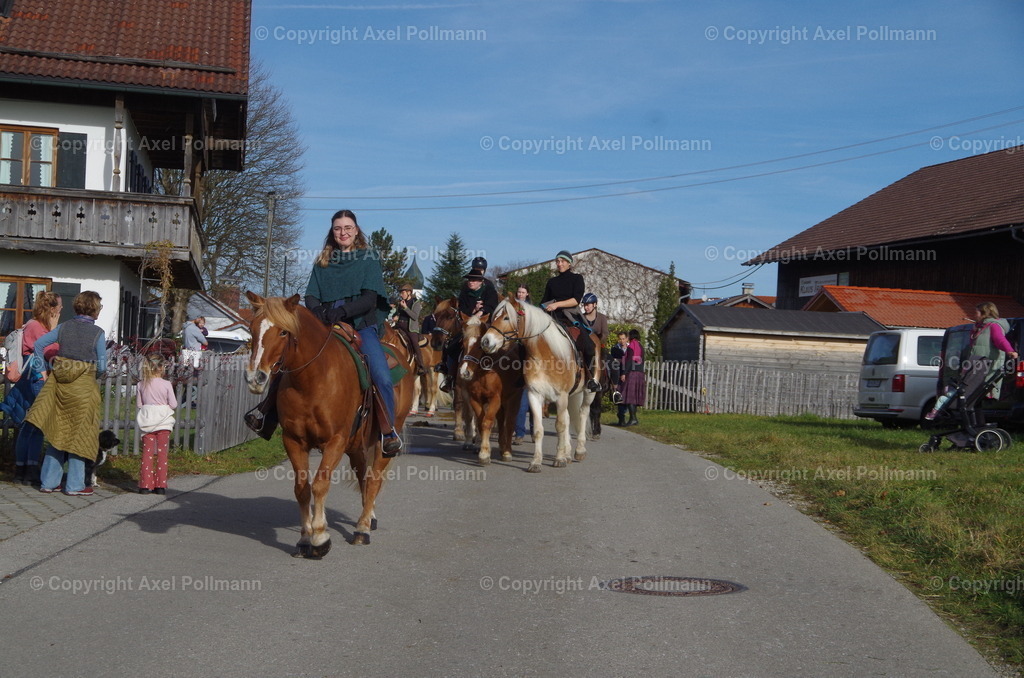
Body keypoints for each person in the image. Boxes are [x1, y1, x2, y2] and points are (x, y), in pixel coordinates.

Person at [305, 209, 403, 455]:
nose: (343, 232)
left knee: (381, 374)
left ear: (356, 230)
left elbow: (370, 298)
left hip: (360, 325)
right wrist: (318, 311)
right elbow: (310, 295)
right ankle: (268, 415)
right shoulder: (323, 261)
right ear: (332, 232)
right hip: (326, 325)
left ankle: (388, 431)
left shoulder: (368, 257)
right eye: (338, 228)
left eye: (348, 227)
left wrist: (344, 311)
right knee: (292, 358)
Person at [25, 291, 106, 496]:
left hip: (61, 387)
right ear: (94, 309)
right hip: (84, 390)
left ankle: (48, 483)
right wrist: (97, 372)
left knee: (57, 433)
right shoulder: (98, 333)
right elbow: (103, 364)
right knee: (79, 436)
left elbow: (39, 345)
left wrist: (40, 369)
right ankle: (74, 486)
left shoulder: (63, 327)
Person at [0, 291, 62, 485]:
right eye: (59, 307)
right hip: (37, 378)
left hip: (30, 377)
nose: (61, 310)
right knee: (36, 426)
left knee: (28, 427)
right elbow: (51, 350)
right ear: (52, 309)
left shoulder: (34, 324)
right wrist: (55, 330)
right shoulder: (37, 327)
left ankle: (22, 470)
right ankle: (30, 471)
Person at [925, 302, 1018, 422]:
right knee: (973, 400)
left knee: (974, 398)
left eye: (977, 312)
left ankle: (978, 429)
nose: (974, 315)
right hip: (975, 366)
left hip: (985, 368)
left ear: (985, 313)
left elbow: (1000, 340)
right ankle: (976, 429)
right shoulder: (980, 328)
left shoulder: (993, 326)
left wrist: (1010, 351)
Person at [539, 250, 600, 392]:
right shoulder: (551, 282)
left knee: (589, 345)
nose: (559, 264)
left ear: (569, 263)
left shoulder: (577, 278)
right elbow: (543, 302)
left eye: (562, 261)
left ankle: (591, 378)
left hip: (571, 317)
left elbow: (576, 300)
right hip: (552, 317)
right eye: (557, 261)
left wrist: (557, 304)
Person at [439, 266, 499, 393]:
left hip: (485, 325)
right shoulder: (465, 291)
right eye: (470, 280)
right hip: (468, 325)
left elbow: (492, 306)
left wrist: (481, 311)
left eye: (474, 280)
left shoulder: (490, 290)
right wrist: (473, 310)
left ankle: (499, 376)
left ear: (481, 281)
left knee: (495, 346)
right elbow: (462, 309)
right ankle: (450, 377)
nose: (471, 282)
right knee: (452, 346)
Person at [136, 353, 177, 495]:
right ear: (161, 367)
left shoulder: (141, 384)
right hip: (163, 423)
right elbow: (173, 404)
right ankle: (160, 486)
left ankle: (145, 486)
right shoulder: (166, 384)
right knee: (162, 454)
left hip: (147, 422)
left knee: (147, 454)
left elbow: (139, 404)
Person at [581, 292, 609, 438]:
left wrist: (596, 338)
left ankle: (614, 388)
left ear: (595, 305)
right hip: (584, 351)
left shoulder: (602, 318)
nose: (585, 307)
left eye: (588, 304)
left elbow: (605, 333)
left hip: (599, 348)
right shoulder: (581, 317)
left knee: (611, 365)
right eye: (584, 304)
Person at [392, 283, 426, 377]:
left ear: (409, 293)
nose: (401, 295)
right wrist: (396, 316)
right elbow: (398, 314)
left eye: (402, 292)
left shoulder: (416, 303)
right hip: (399, 325)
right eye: (400, 293)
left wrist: (405, 308)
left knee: (415, 343)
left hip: (410, 328)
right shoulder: (401, 302)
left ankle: (421, 365)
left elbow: (415, 316)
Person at [513, 285, 532, 443]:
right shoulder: (512, 307)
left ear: (527, 294)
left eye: (523, 292)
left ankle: (533, 429)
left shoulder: (532, 309)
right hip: (515, 346)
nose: (520, 294)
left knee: (530, 400)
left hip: (527, 347)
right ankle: (519, 432)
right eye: (519, 292)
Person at [619, 328, 645, 426]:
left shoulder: (631, 347)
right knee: (635, 397)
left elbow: (629, 360)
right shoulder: (641, 346)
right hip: (640, 373)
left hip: (632, 373)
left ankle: (633, 418)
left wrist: (624, 373)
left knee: (629, 396)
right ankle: (634, 419)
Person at [609, 331, 629, 425]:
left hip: (629, 373)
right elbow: (614, 362)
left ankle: (627, 415)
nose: (622, 341)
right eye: (620, 339)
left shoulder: (630, 348)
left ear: (627, 338)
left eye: (623, 338)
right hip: (619, 374)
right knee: (620, 395)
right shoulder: (614, 348)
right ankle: (621, 416)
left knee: (628, 396)